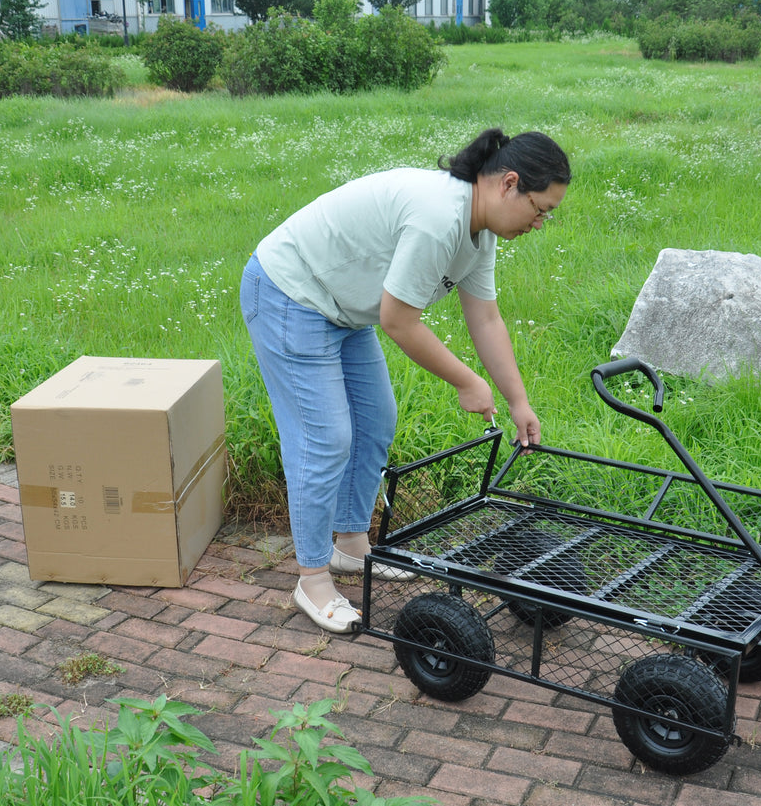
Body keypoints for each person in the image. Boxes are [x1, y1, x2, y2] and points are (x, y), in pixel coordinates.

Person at [240, 127, 571, 633]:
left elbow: (486, 320)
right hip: (292, 293)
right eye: (541, 208)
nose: (541, 222)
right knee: (324, 438)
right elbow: (398, 320)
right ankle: (311, 578)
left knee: (375, 421)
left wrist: (518, 400)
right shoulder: (441, 218)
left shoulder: (478, 231)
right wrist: (465, 381)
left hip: (343, 310)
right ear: (508, 184)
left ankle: (350, 545)